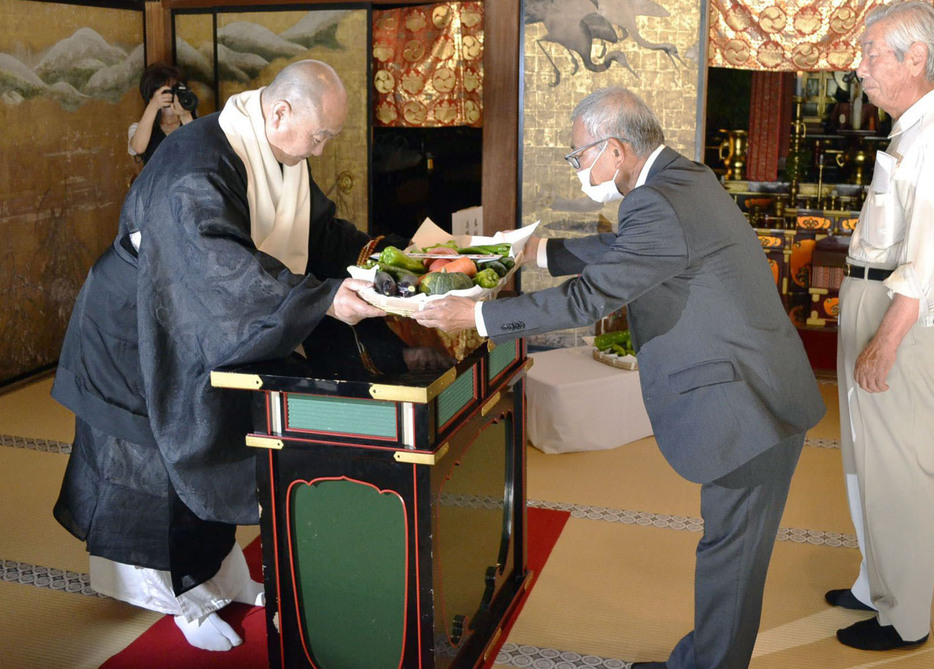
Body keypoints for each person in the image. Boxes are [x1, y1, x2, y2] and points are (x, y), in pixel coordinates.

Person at [414, 86, 825, 669]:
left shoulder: (656, 201)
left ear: (615, 150)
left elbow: (592, 298)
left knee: (730, 561)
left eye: (579, 154)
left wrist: (479, 315)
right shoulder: (683, 178)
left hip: (746, 405)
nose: (578, 167)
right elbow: (627, 248)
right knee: (729, 554)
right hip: (760, 384)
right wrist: (539, 253)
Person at [52, 60, 401, 651]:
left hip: (196, 318)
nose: (323, 145)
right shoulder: (197, 163)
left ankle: (219, 575)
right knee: (159, 465)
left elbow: (320, 232)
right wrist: (321, 302)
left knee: (216, 443)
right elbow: (218, 266)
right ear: (281, 111)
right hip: (141, 328)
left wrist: (381, 258)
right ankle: (178, 601)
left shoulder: (280, 153)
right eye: (321, 134)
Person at [824, 0, 934, 652]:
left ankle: (908, 615)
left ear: (914, 58)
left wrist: (887, 338)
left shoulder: (933, 138)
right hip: (871, 297)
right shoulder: (909, 130)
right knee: (864, 457)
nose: (858, 65)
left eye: (870, 52)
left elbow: (928, 261)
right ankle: (876, 581)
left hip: (900, 315)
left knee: (897, 467)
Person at [128, 63, 196, 165]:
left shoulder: (196, 123)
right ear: (151, 94)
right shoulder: (139, 128)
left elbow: (201, 149)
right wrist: (153, 106)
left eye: (175, 90)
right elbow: (138, 148)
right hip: (156, 180)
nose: (171, 95)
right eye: (166, 91)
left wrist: (185, 115)